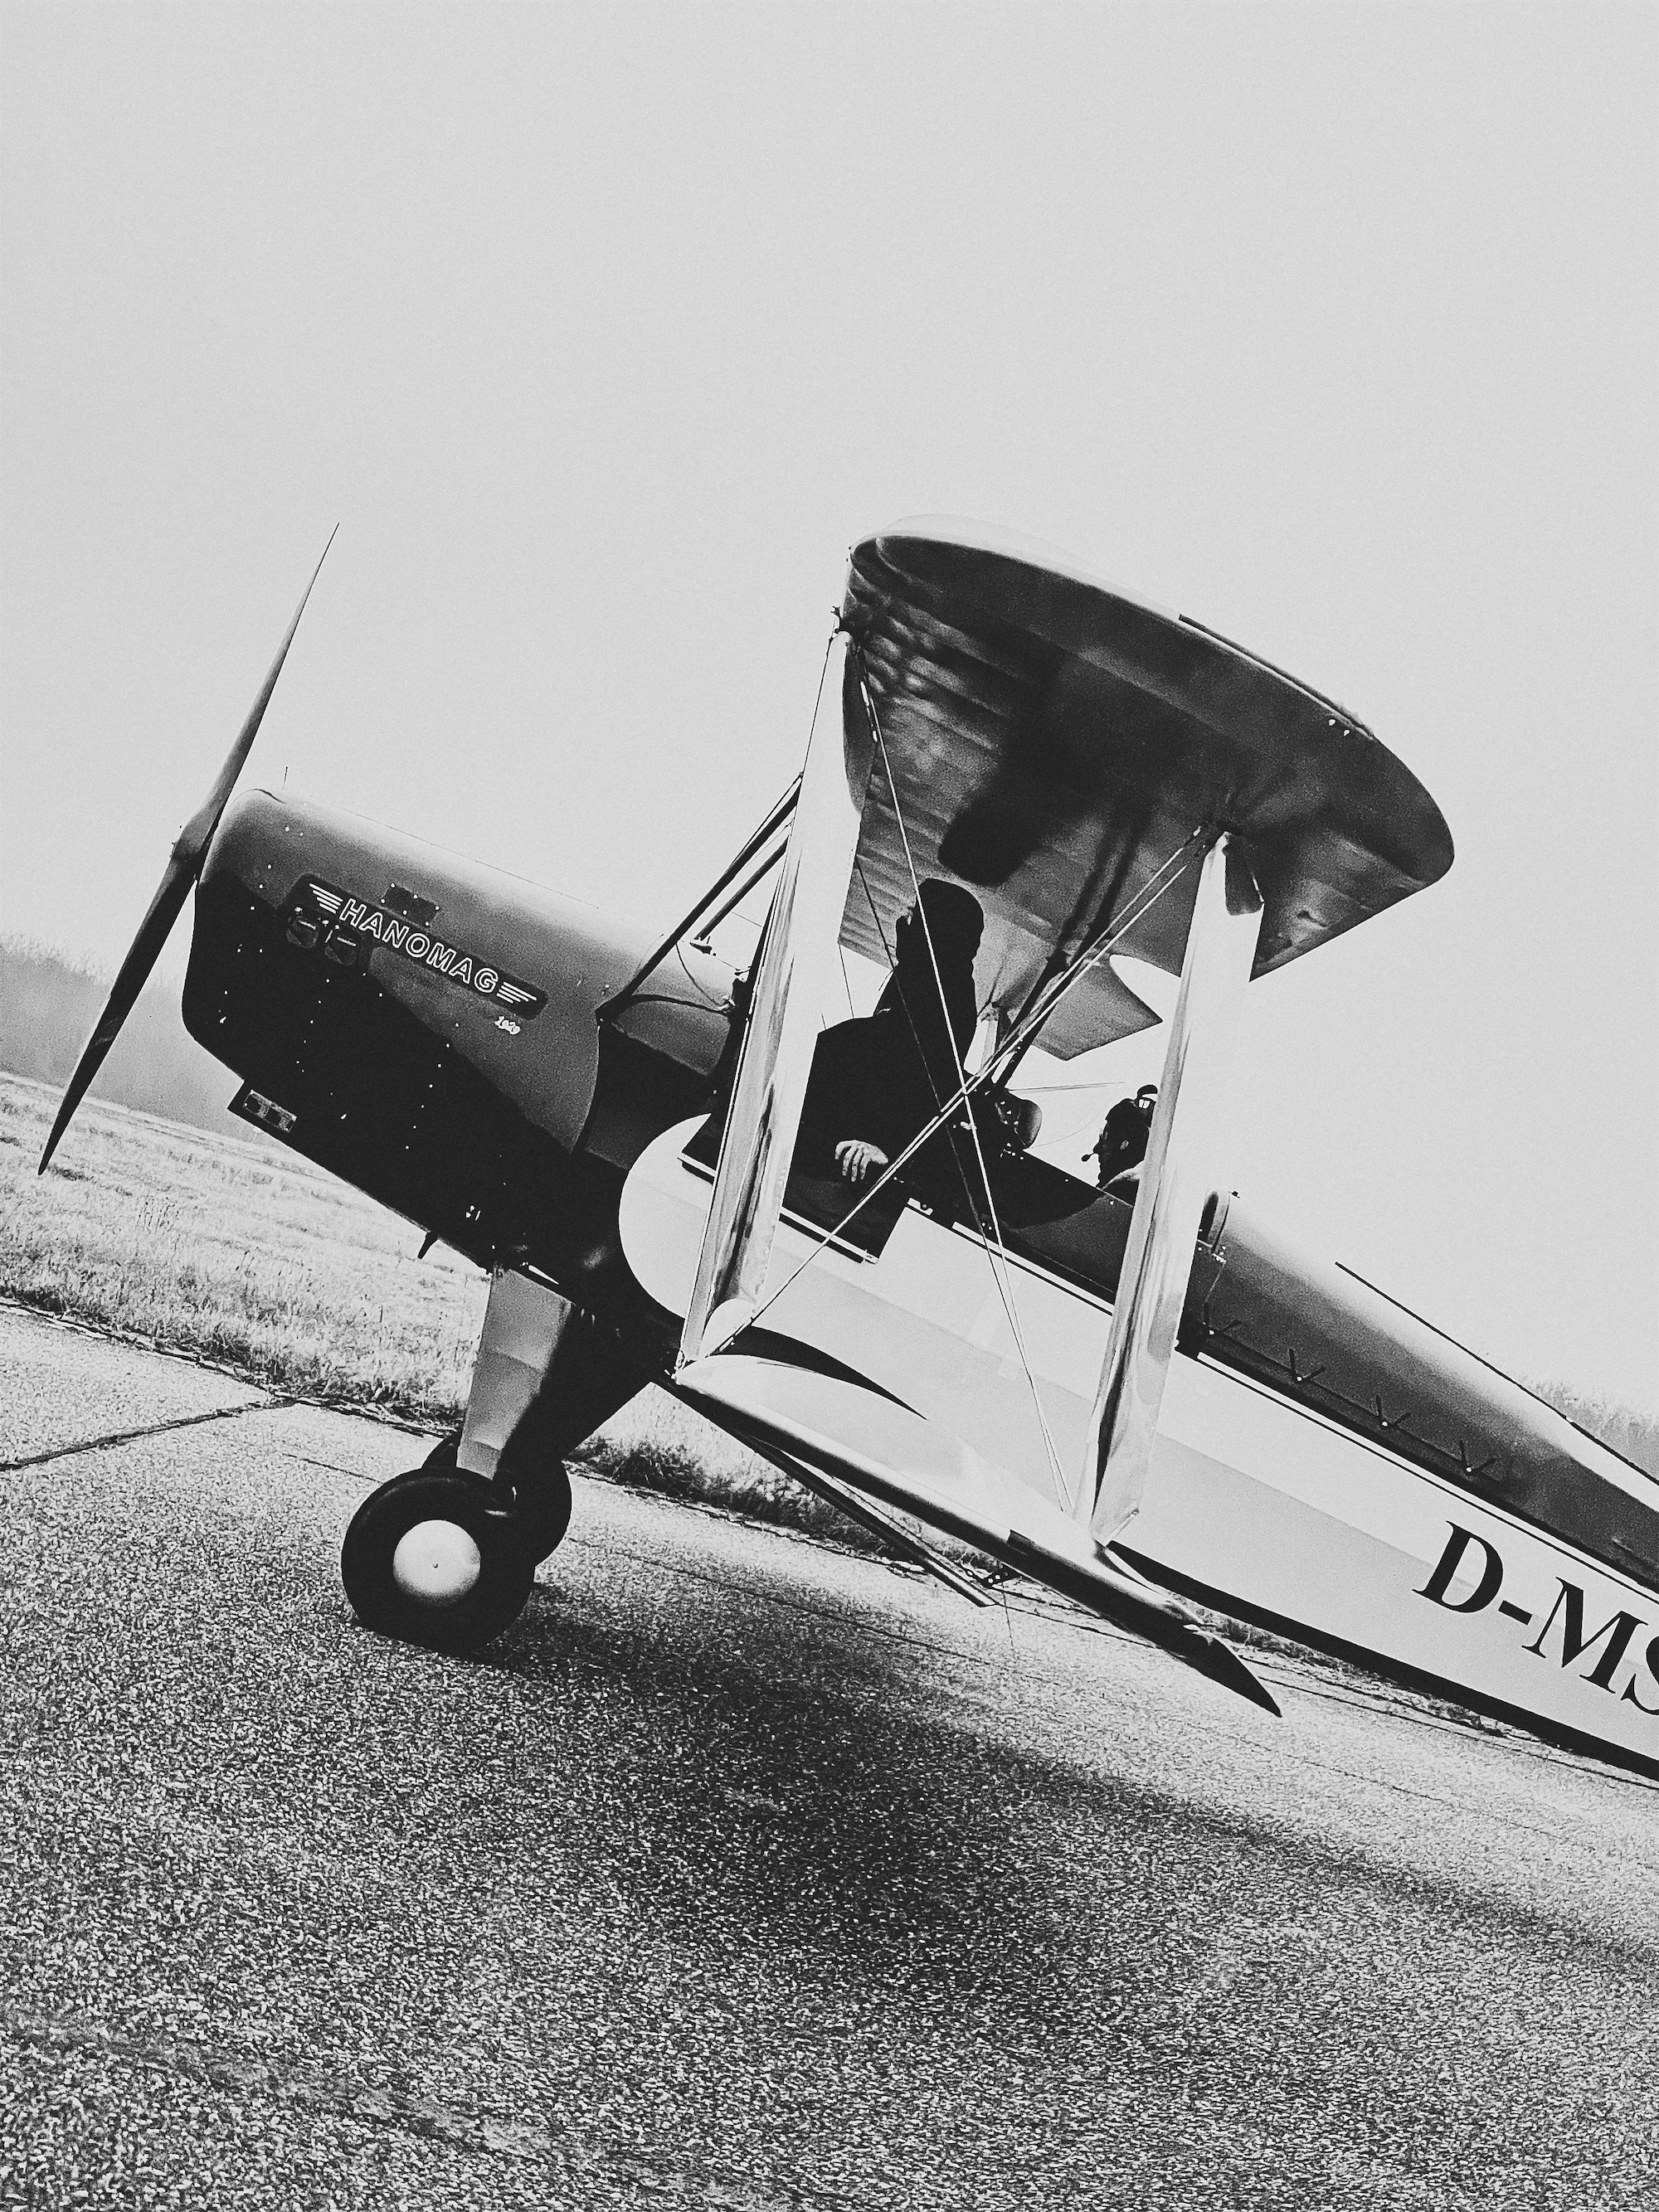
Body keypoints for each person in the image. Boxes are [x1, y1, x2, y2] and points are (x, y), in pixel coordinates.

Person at [799, 880, 984, 1188]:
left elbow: (934, 1081)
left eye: (913, 914)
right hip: (845, 1131)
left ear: (935, 926)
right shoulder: (920, 973)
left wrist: (889, 1150)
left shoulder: (949, 992)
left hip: (853, 1155)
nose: (903, 920)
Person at [1089, 1082, 1157, 1189]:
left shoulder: (1149, 1125)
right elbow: (1109, 1142)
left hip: (1131, 1162)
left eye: (1150, 1105)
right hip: (1118, 1156)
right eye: (1142, 1103)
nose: (1145, 1108)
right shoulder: (1124, 1113)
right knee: (1110, 1173)